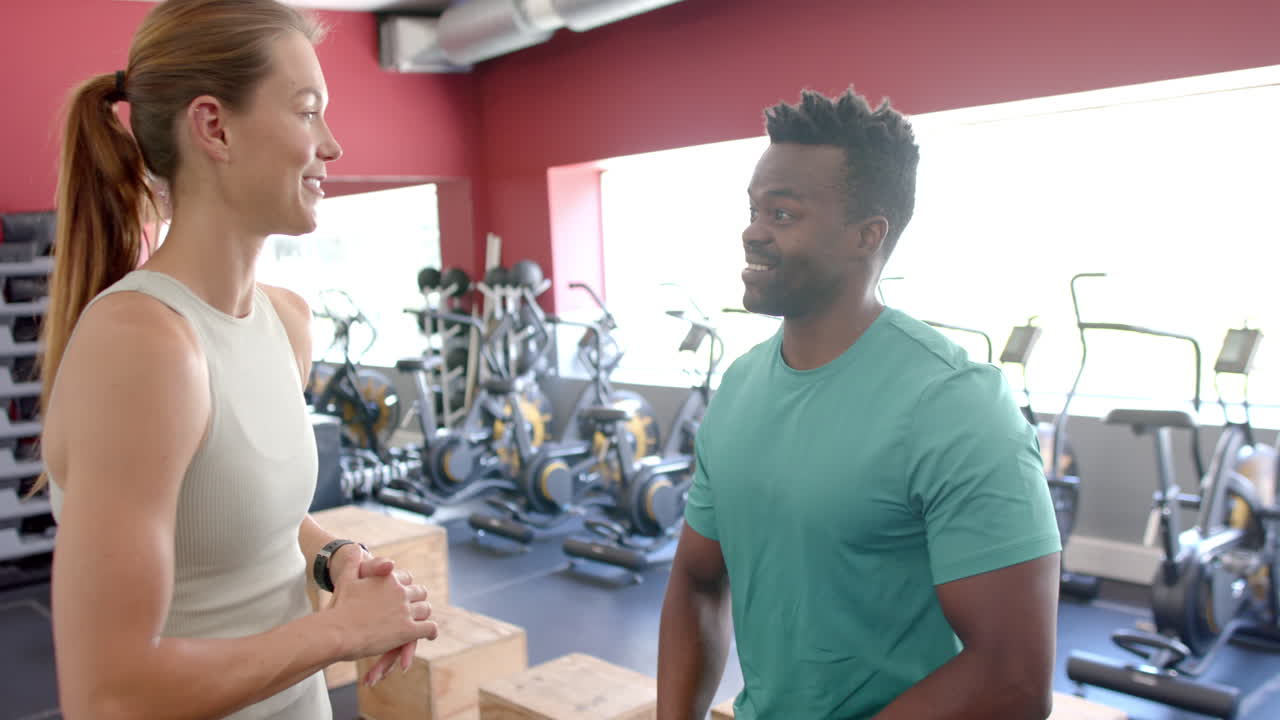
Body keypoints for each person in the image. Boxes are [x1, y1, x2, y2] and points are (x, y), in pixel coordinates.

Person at [36, 1, 438, 718]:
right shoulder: (144, 344)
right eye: (307, 111)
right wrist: (341, 632)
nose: (332, 145)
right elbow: (110, 693)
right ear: (214, 128)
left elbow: (242, 515)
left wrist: (335, 557)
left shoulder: (286, 321)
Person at [656, 88, 1062, 720]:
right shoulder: (739, 387)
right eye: (754, 210)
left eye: (782, 214)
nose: (752, 231)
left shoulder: (955, 405)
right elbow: (697, 581)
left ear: (867, 235)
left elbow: (1012, 679)